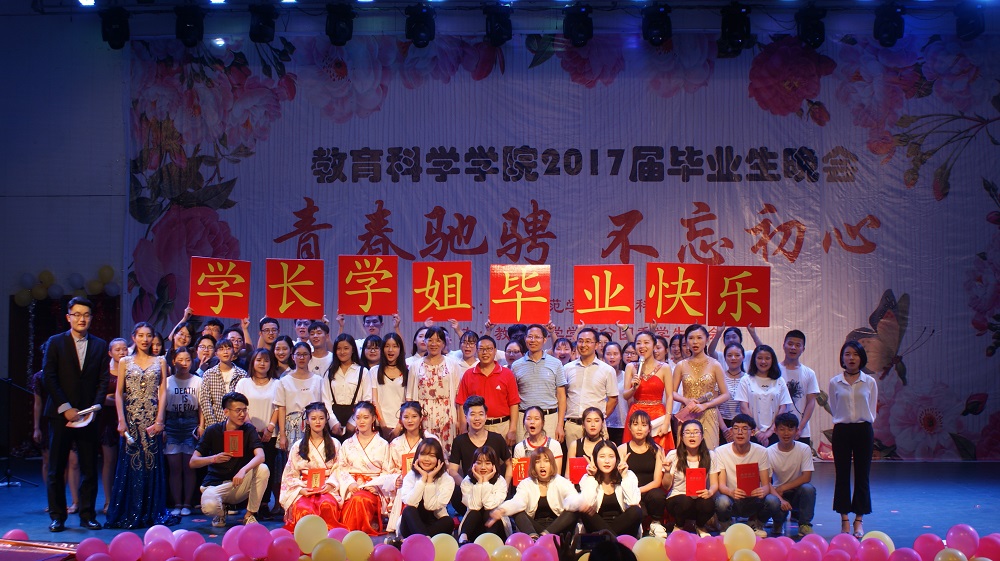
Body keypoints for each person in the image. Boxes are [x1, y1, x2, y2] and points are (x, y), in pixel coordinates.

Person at [42, 297, 109, 532]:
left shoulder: (100, 345)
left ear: (91, 318)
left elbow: (103, 380)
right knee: (56, 467)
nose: (82, 319)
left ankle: (87, 515)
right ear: (68, 317)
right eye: (77, 314)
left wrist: (95, 408)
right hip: (61, 414)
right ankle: (57, 516)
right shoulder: (55, 342)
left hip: (88, 416)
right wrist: (65, 407)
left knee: (89, 467)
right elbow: (48, 377)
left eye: (86, 315)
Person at [106, 322, 177, 529]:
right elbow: (119, 393)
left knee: (151, 464)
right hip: (131, 419)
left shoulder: (160, 361)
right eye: (141, 335)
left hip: (152, 420)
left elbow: (163, 392)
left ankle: (150, 510)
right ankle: (131, 510)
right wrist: (121, 419)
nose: (145, 339)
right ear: (134, 337)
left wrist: (160, 419)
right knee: (131, 463)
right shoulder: (125, 361)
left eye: (148, 335)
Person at [191, 392, 270, 527]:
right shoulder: (213, 430)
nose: (242, 414)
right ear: (226, 412)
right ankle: (220, 512)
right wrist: (213, 459)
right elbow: (193, 462)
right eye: (238, 410)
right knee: (209, 506)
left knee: (263, 469)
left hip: (238, 484)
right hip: (216, 484)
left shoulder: (249, 429)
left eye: (245, 410)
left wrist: (243, 470)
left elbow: (260, 456)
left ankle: (249, 515)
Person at [828, 340, 877, 538]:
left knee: (862, 475)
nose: (851, 358)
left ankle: (859, 520)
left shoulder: (869, 382)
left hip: (863, 430)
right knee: (842, 475)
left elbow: (872, 409)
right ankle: (844, 520)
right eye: (847, 354)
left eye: (855, 354)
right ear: (842, 358)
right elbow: (834, 407)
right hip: (842, 431)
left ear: (861, 358)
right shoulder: (835, 382)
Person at [32, 345, 83, 518]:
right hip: (50, 419)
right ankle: (54, 501)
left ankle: (75, 501)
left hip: (70, 417)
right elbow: (38, 403)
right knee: (50, 461)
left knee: (73, 460)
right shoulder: (39, 377)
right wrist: (36, 427)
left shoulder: (67, 374)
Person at [278, 401, 343, 531]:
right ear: (307, 421)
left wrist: (330, 484)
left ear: (326, 420)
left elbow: (340, 468)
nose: (317, 422)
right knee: (303, 509)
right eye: (313, 418)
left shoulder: (335, 444)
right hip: (304, 486)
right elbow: (290, 474)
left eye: (321, 418)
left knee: (326, 505)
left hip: (327, 487)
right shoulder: (298, 446)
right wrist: (299, 490)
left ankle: (328, 536)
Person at [714, 413, 780, 538]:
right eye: (736, 428)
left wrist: (762, 491)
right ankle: (727, 526)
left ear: (753, 432)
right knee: (721, 501)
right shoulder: (721, 451)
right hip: (732, 498)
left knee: (773, 501)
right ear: (731, 431)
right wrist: (731, 492)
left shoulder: (761, 452)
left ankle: (756, 524)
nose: (740, 432)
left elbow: (766, 485)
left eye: (744, 429)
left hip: (753, 499)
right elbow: (721, 486)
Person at [490, 447, 578, 538]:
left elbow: (573, 498)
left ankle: (545, 536)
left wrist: (582, 503)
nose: (542, 465)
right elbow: (517, 501)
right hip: (535, 528)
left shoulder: (561, 482)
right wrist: (502, 510)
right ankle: (533, 538)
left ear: (551, 464)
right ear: (533, 465)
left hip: (557, 528)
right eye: (537, 462)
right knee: (516, 510)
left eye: (546, 461)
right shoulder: (526, 483)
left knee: (574, 508)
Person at [335, 401, 395, 535]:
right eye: (358, 418)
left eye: (366, 417)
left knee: (360, 499)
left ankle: (349, 534)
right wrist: (350, 484)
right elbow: (341, 468)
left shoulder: (383, 444)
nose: (361, 421)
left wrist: (376, 486)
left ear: (373, 419)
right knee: (356, 498)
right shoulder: (347, 444)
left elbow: (387, 470)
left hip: (373, 489)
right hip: (352, 488)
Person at [235, 348, 281, 518]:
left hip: (270, 434)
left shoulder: (277, 383)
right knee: (249, 469)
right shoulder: (243, 383)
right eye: (259, 360)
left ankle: (263, 504)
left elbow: (278, 407)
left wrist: (270, 428)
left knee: (267, 469)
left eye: (266, 360)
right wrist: (251, 427)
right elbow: (239, 406)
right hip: (247, 433)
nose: (262, 364)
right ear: (252, 362)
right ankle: (248, 504)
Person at [565, 439, 642, 537]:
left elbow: (633, 502)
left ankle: (609, 539)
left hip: (623, 528)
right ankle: (613, 540)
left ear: (616, 459)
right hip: (597, 527)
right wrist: (592, 477)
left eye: (611, 456)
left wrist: (624, 476)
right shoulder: (588, 478)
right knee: (586, 510)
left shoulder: (628, 475)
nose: (607, 461)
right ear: (595, 459)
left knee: (636, 510)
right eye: (602, 456)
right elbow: (588, 503)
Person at [450, 396, 513, 513]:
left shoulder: (497, 438)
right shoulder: (459, 441)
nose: (477, 418)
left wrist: (505, 486)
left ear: (486, 416)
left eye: (481, 414)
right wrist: (466, 486)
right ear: (466, 417)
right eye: (472, 414)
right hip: (471, 491)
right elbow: (452, 470)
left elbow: (509, 464)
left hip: (494, 492)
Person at [386, 402, 443, 533]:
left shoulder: (431, 440)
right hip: (404, 485)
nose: (410, 420)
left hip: (429, 482)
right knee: (406, 495)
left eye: (414, 416)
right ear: (401, 419)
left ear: (421, 418)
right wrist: (396, 479)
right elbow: (390, 469)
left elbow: (441, 464)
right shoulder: (395, 443)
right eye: (406, 417)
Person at [672, 324, 731, 450]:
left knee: (708, 453)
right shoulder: (681, 365)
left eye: (699, 338)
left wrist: (705, 405)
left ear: (707, 339)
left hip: (708, 414)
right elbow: (671, 392)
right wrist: (685, 400)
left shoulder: (715, 365)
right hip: (688, 413)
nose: (695, 342)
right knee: (685, 454)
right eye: (691, 338)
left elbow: (726, 394)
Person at [456, 335, 521, 446]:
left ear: (495, 351)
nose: (485, 352)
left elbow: (514, 403)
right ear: (477, 351)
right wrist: (463, 427)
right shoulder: (468, 374)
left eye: (489, 349)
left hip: (501, 426)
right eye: (481, 349)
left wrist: (513, 429)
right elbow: (461, 403)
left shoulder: (507, 374)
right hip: (475, 427)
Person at [407, 326, 462, 455]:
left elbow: (458, 394)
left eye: (438, 340)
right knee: (425, 452)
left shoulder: (453, 364)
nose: (434, 344)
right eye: (430, 340)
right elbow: (409, 395)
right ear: (425, 342)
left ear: (443, 343)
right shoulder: (415, 366)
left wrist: (459, 420)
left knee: (447, 453)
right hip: (423, 415)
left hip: (447, 415)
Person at [663, 419, 719, 537]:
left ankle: (700, 526)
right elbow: (666, 486)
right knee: (685, 500)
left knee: (708, 503)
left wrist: (710, 492)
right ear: (682, 437)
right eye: (687, 432)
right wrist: (667, 472)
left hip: (699, 498)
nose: (692, 435)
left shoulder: (710, 455)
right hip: (678, 499)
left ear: (702, 436)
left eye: (696, 432)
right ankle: (679, 525)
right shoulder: (673, 455)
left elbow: (714, 483)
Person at [512, 324, 567, 443]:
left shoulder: (556, 363)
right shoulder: (516, 365)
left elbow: (561, 396)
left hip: (549, 418)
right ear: (525, 339)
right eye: (530, 336)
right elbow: (514, 398)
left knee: (549, 453)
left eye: (537, 337)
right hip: (524, 419)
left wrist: (560, 425)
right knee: (524, 453)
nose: (533, 340)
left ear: (545, 340)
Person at [564, 328, 619, 444]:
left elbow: (613, 400)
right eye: (580, 341)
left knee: (599, 455)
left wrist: (599, 419)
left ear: (596, 345)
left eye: (588, 341)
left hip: (596, 427)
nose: (583, 345)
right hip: (572, 426)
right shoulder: (567, 368)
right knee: (573, 456)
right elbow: (562, 397)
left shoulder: (607, 370)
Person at [164, 346, 201, 517]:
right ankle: (177, 503)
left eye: (187, 360)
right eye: (180, 360)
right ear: (173, 361)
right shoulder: (167, 381)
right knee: (174, 467)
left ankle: (187, 503)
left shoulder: (198, 381)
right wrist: (163, 427)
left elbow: (201, 406)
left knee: (189, 466)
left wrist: (201, 425)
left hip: (191, 423)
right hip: (172, 423)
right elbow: (162, 406)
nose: (184, 363)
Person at [622, 330, 673, 450]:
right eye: (638, 343)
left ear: (654, 346)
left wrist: (667, 421)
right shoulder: (631, 367)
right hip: (636, 415)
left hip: (658, 415)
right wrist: (633, 389)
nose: (642, 346)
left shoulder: (664, 367)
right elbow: (625, 395)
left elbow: (670, 396)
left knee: (658, 453)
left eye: (646, 342)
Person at [618, 410, 667, 538]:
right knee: (640, 514)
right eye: (635, 424)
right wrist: (632, 493)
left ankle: (656, 523)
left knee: (658, 495)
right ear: (629, 427)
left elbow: (657, 481)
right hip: (629, 493)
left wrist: (638, 491)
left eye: (644, 425)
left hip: (648, 492)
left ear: (649, 428)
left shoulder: (657, 450)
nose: (639, 428)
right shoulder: (622, 449)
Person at [767, 412, 816, 537]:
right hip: (778, 493)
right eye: (782, 429)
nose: (786, 433)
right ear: (775, 431)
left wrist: (783, 487)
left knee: (808, 489)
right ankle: (778, 522)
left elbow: (807, 477)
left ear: (796, 431)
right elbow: (766, 482)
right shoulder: (769, 452)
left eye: (790, 429)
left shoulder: (804, 449)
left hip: (796, 491)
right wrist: (780, 498)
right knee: (771, 500)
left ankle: (804, 525)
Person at [736, 345, 792, 446]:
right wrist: (757, 432)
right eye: (759, 358)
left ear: (772, 360)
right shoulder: (746, 380)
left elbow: (783, 408)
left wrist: (770, 431)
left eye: (767, 358)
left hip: (775, 432)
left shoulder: (779, 381)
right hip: (751, 432)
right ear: (754, 360)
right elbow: (744, 407)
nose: (763, 361)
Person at [398, 438, 454, 538]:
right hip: (411, 524)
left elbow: (430, 506)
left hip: (434, 524)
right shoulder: (410, 476)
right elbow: (411, 502)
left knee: (448, 521)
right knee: (409, 510)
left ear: (439, 459)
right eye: (423, 454)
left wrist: (430, 480)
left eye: (432, 455)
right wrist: (423, 479)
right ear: (417, 456)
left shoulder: (447, 480)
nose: (426, 459)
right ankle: (426, 539)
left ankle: (420, 539)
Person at [275, 342, 324, 457]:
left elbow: (322, 406)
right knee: (293, 460)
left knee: (314, 457)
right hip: (291, 426)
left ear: (310, 356)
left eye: (305, 354)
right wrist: (282, 434)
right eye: (298, 354)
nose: (302, 358)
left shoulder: (318, 380)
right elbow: (281, 408)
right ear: (293, 357)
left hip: (313, 424)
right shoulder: (284, 381)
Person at [458, 445, 509, 543]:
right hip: (474, 525)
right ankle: (463, 539)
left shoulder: (500, 481)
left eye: (487, 463)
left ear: (494, 465)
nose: (483, 467)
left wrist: (485, 482)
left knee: (489, 512)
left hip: (495, 526)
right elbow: (474, 506)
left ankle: (491, 542)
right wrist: (479, 482)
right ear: (473, 465)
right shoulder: (467, 481)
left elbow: (489, 505)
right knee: (475, 512)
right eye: (478, 463)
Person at [101, 338, 128, 514]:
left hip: (130, 419)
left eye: (124, 349)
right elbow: (101, 399)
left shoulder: (132, 370)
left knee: (126, 461)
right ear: (110, 353)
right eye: (117, 350)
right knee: (109, 460)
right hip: (108, 420)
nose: (122, 352)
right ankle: (108, 500)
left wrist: (116, 397)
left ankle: (125, 500)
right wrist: (119, 398)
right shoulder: (105, 372)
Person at [198, 338, 248, 435]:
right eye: (221, 349)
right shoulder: (209, 374)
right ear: (216, 354)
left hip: (237, 426)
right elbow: (205, 402)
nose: (225, 352)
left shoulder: (242, 374)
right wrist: (215, 426)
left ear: (233, 351)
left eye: (228, 348)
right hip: (214, 426)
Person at [778, 330, 820, 445]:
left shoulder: (809, 373)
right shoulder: (775, 371)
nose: (793, 348)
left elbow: (811, 402)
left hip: (801, 432)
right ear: (783, 345)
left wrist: (800, 428)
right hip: (777, 431)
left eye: (798, 345)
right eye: (790, 344)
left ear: (803, 349)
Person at [322, 334, 367, 438]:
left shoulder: (362, 371)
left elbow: (366, 399)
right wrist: (333, 422)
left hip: (356, 420)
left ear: (353, 350)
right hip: (334, 419)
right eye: (339, 349)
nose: (342, 352)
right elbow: (325, 400)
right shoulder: (329, 372)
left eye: (346, 348)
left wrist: (354, 421)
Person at [370, 333, 410, 440]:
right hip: (380, 425)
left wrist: (399, 426)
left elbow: (408, 401)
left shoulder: (408, 372)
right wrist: (383, 425)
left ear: (400, 349)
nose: (390, 350)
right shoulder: (374, 371)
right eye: (387, 346)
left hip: (402, 424)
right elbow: (374, 400)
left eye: (395, 346)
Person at [513, 406, 564, 475]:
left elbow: (557, 475)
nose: (532, 422)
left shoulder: (554, 445)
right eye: (528, 419)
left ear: (543, 423)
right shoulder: (519, 448)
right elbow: (519, 476)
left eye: (536, 419)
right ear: (524, 422)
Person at [603, 342, 630, 444]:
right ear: (603, 356)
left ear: (621, 356)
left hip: (623, 424)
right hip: (604, 423)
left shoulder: (626, 376)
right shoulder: (599, 375)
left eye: (615, 354)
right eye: (608, 354)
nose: (612, 357)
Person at [719, 344, 746, 444]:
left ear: (743, 357)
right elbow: (714, 406)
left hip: (743, 423)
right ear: (725, 358)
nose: (733, 358)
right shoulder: (719, 377)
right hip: (722, 424)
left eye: (737, 355)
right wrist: (725, 430)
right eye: (729, 355)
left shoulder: (748, 379)